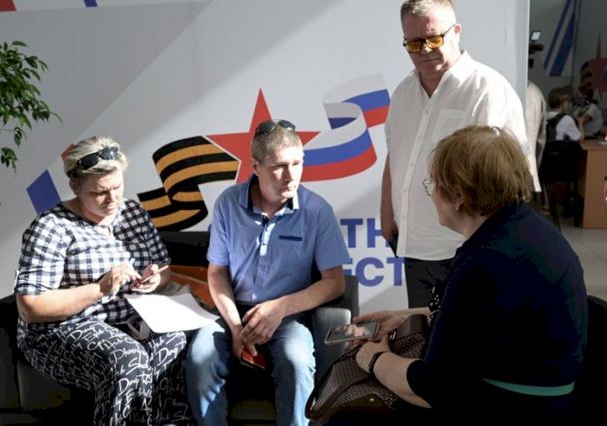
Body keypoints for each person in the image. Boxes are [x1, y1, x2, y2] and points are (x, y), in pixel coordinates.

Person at [352, 126, 587, 421]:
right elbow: (489, 318)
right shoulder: (527, 231)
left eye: (432, 184)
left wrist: (375, 358)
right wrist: (410, 315)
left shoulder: (485, 260)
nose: (431, 194)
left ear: (458, 195)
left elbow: (434, 387)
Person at [14, 136, 192, 425]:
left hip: (130, 322)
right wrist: (100, 288)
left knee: (174, 342)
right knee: (127, 356)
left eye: (117, 187)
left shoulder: (133, 213)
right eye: (99, 192)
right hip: (61, 330)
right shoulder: (52, 226)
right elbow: (30, 307)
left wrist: (154, 279)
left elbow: (163, 269)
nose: (112, 199)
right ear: (75, 187)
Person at [184, 119, 350, 426]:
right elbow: (217, 272)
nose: (291, 176)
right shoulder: (228, 204)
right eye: (279, 166)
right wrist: (236, 327)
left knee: (296, 361)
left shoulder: (317, 210)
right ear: (256, 166)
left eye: (297, 164)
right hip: (231, 312)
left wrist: (280, 308)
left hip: (288, 316)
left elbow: (335, 283)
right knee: (199, 359)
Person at [380, 0, 540, 309]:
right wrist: (387, 213)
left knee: (468, 336)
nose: (425, 50)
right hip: (414, 247)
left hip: (465, 248)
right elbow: (396, 153)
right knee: (423, 332)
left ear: (456, 31)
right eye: (414, 43)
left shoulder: (487, 89)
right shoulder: (403, 92)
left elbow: (506, 178)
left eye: (433, 38)